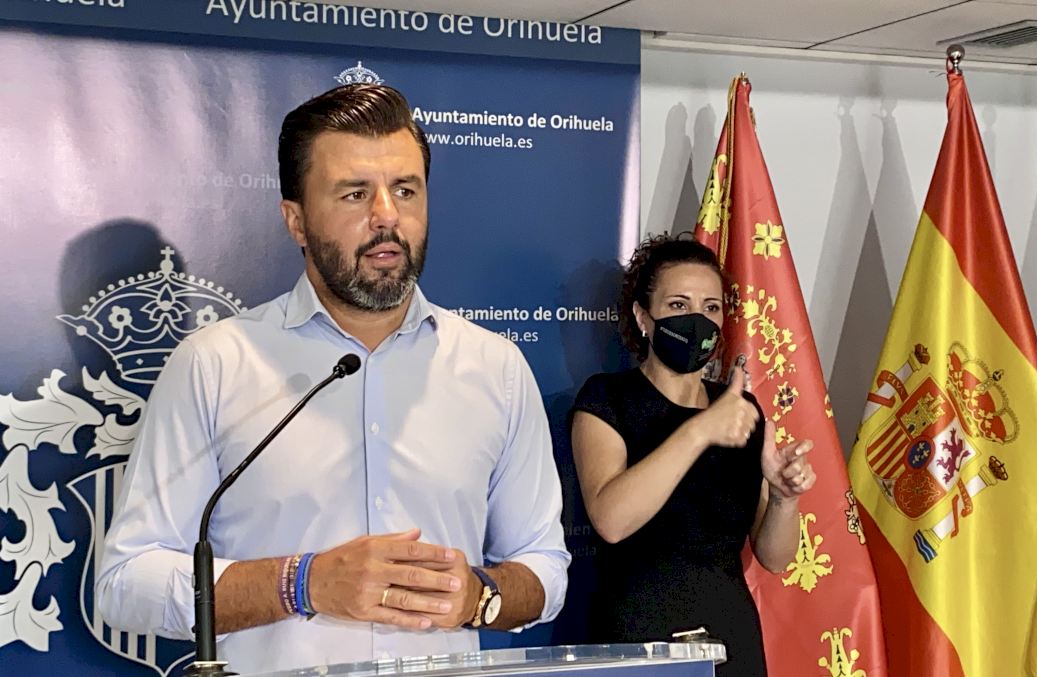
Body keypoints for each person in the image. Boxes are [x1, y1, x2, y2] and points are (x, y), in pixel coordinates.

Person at [96, 84, 569, 674]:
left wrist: (480, 597)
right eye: (354, 193)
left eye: (405, 190)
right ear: (296, 220)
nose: (387, 216)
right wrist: (303, 584)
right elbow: (126, 583)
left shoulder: (495, 367)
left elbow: (544, 568)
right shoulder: (215, 364)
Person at [570, 234, 817, 677]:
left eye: (711, 307)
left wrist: (784, 497)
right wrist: (700, 430)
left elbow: (776, 558)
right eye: (678, 305)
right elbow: (611, 519)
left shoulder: (739, 409)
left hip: (730, 641)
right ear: (643, 317)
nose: (697, 320)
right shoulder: (607, 399)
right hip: (638, 641)